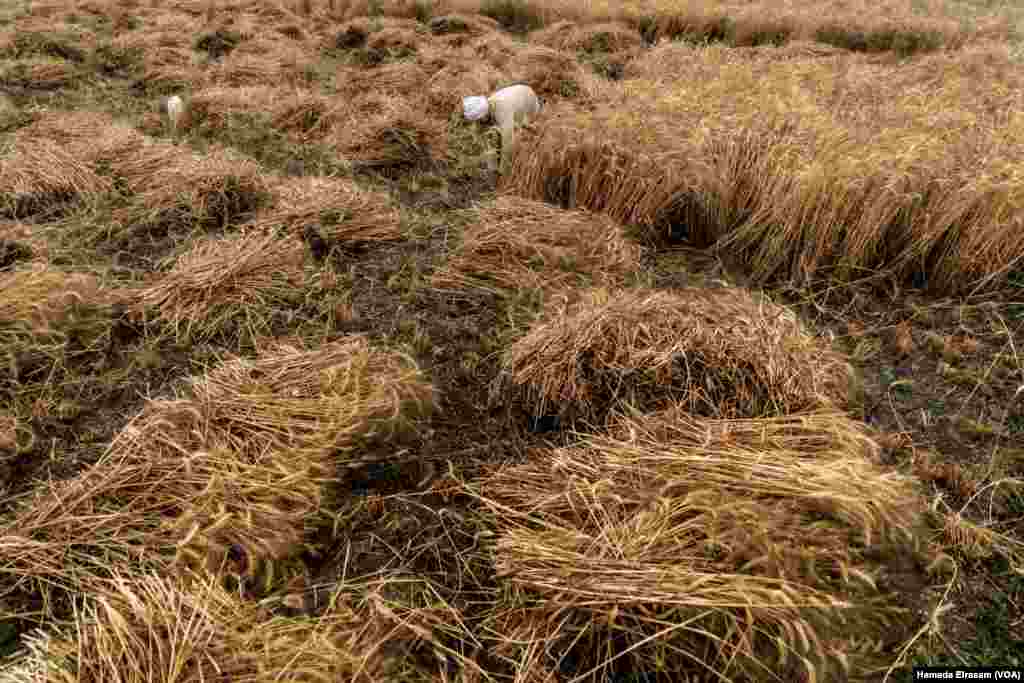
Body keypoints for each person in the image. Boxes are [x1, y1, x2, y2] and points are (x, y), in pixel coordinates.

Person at [463, 84, 542, 176]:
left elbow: (508, 143)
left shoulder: (502, 109)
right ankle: (493, 168)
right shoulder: (487, 107)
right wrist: (491, 167)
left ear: (484, 114)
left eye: (479, 120)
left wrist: (502, 172)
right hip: (516, 96)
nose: (478, 122)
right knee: (494, 133)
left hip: (528, 100)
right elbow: (484, 135)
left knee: (526, 134)